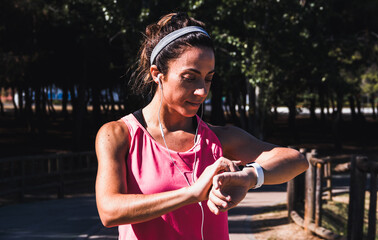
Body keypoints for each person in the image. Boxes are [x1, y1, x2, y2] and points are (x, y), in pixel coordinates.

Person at [95, 12, 308, 240]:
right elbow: (109, 210)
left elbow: (296, 160)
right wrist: (192, 193)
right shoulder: (118, 135)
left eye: (208, 78)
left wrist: (250, 177)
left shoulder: (219, 139)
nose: (202, 91)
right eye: (190, 77)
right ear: (157, 74)